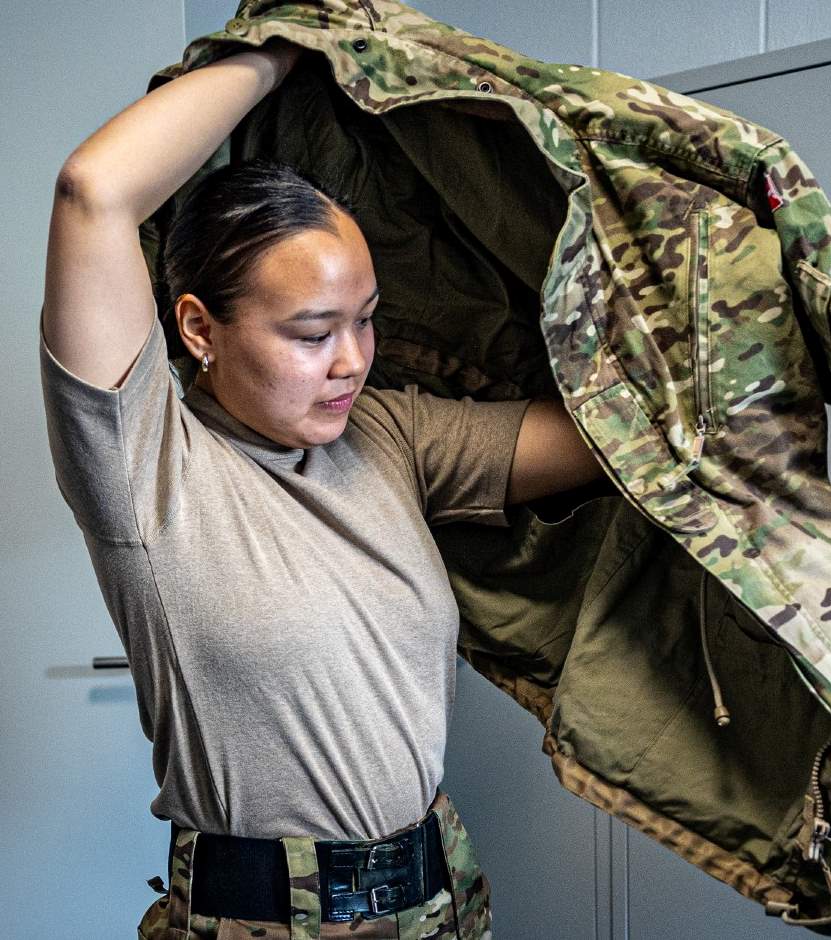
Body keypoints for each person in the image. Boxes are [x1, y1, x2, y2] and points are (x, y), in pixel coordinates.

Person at [40, 38, 606, 940]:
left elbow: (607, 440)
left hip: (442, 902)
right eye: (311, 334)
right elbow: (92, 192)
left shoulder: (386, 434)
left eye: (366, 321)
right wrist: (290, 45)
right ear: (199, 328)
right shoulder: (145, 467)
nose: (351, 361)